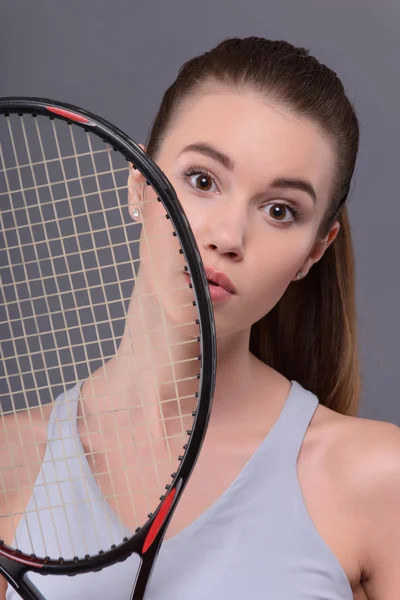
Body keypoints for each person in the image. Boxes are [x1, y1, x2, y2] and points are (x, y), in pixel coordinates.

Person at [2, 36, 400, 599]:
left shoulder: (378, 479)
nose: (227, 237)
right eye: (203, 180)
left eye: (280, 211)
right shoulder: (9, 466)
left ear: (315, 250)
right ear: (141, 185)